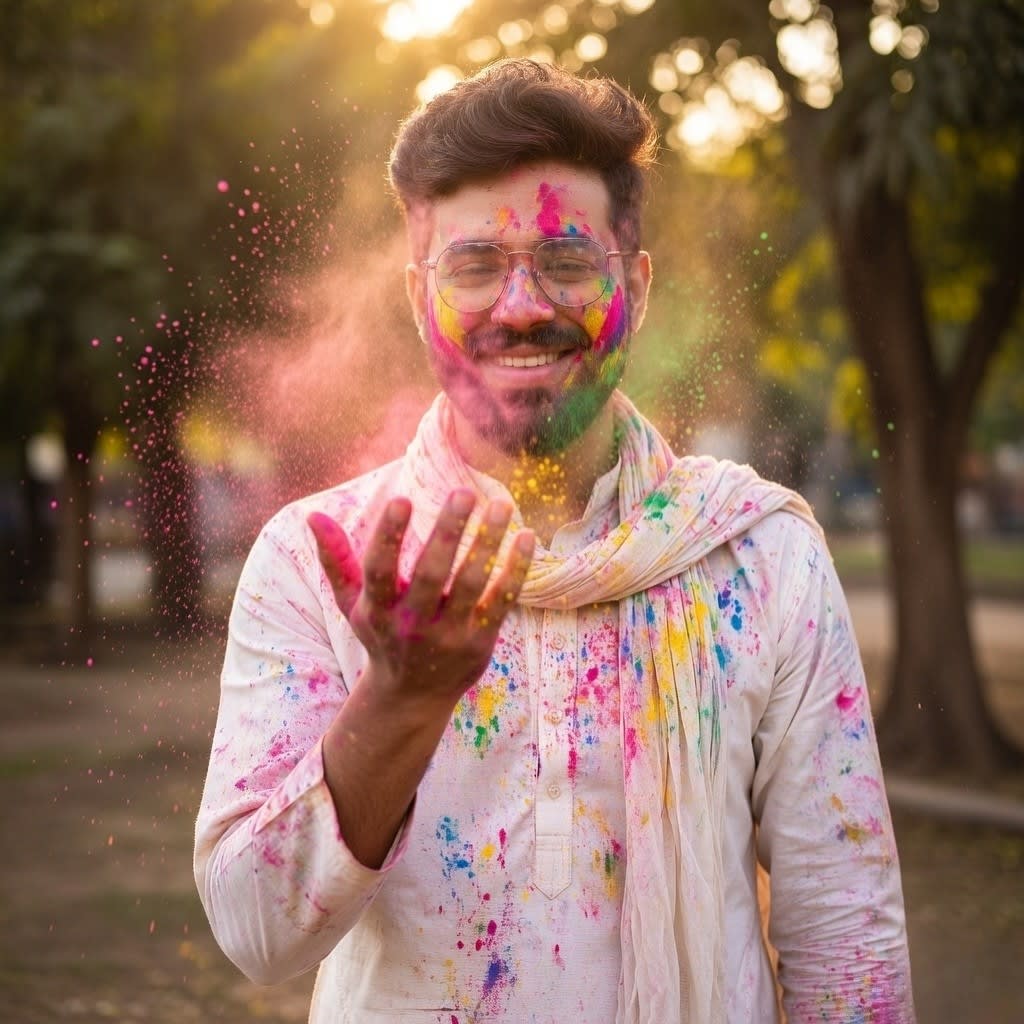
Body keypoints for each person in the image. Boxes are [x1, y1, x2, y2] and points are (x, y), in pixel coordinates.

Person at [194, 59, 915, 1023]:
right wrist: (399, 702)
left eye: (569, 260)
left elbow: (848, 947)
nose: (524, 305)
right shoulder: (316, 558)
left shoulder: (758, 555)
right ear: (420, 298)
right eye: (476, 265)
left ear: (639, 287)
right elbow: (257, 933)